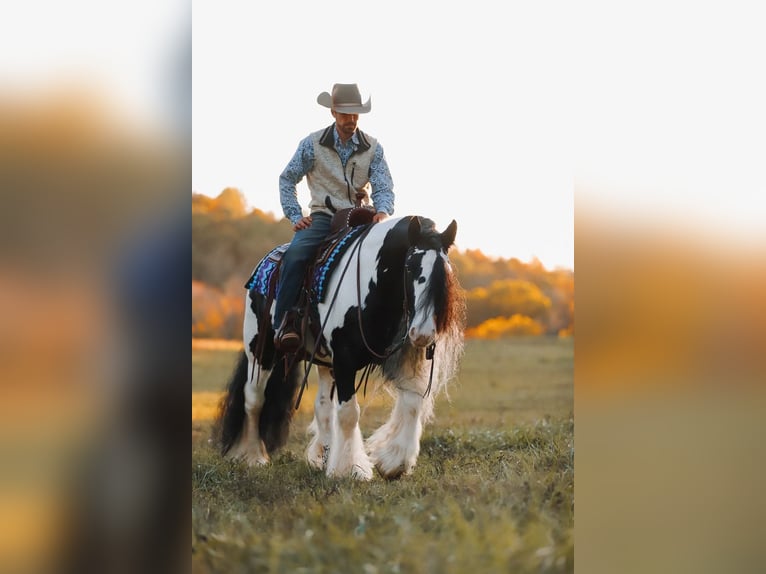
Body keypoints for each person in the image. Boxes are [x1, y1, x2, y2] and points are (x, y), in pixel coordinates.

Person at [274, 83, 395, 351]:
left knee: (394, 257)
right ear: (333, 112)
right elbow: (287, 179)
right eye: (345, 114)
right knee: (295, 255)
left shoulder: (373, 148)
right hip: (323, 218)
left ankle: (392, 325)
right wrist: (295, 215)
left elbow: (383, 186)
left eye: (355, 114)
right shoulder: (311, 144)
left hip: (362, 218)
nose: (351, 120)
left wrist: (383, 211)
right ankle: (285, 322)